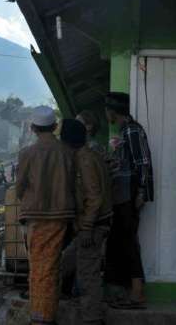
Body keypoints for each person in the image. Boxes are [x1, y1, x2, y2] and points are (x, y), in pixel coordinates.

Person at [16, 105, 76, 325]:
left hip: (35, 217)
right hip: (61, 216)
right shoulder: (68, 152)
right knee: (50, 265)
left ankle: (41, 317)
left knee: (40, 266)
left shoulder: (27, 153)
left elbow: (19, 186)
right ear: (55, 126)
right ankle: (45, 313)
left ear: (32, 128)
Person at [60, 119, 113, 325]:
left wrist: (87, 227)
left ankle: (92, 319)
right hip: (93, 223)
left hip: (93, 225)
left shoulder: (85, 160)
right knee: (66, 262)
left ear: (68, 141)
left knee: (87, 274)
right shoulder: (90, 156)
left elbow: (94, 196)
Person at [103, 92, 154, 310]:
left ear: (113, 111)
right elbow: (127, 163)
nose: (106, 113)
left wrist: (141, 192)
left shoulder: (132, 130)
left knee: (128, 242)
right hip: (121, 194)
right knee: (120, 242)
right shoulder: (124, 131)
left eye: (107, 110)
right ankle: (124, 291)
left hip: (129, 193)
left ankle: (137, 294)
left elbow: (142, 163)